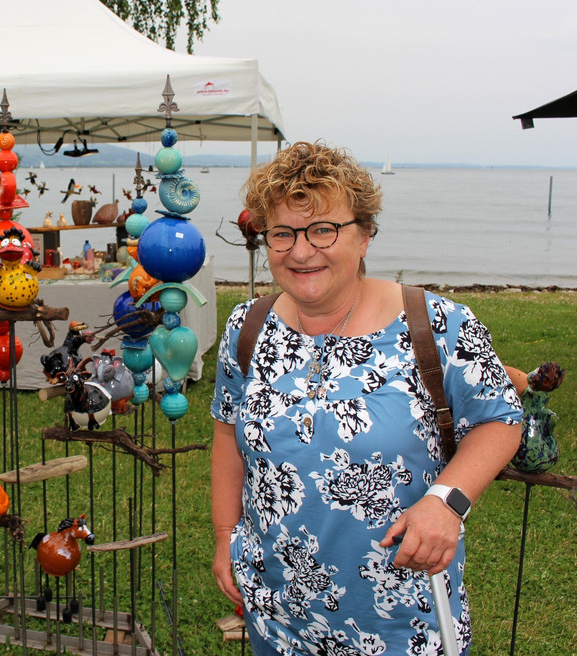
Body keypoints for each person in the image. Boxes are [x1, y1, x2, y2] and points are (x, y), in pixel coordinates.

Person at [210, 141, 522, 655]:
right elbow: (227, 431)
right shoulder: (248, 327)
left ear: (365, 236)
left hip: (402, 618)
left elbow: (501, 418)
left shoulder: (437, 325)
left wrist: (447, 502)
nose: (301, 251)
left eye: (323, 229)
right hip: (278, 616)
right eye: (282, 233)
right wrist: (226, 534)